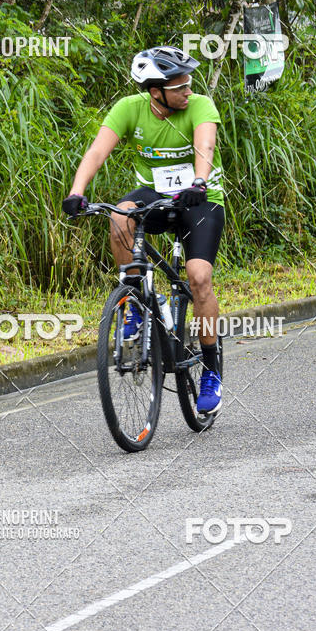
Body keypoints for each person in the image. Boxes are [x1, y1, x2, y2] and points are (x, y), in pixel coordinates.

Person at [62, 46, 225, 414]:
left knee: (199, 277)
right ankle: (135, 301)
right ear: (155, 92)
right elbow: (97, 152)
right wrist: (77, 192)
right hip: (155, 195)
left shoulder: (200, 105)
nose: (188, 90)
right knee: (120, 215)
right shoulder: (129, 109)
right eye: (179, 86)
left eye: (189, 83)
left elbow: (205, 145)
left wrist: (199, 181)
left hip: (200, 199)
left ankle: (211, 370)